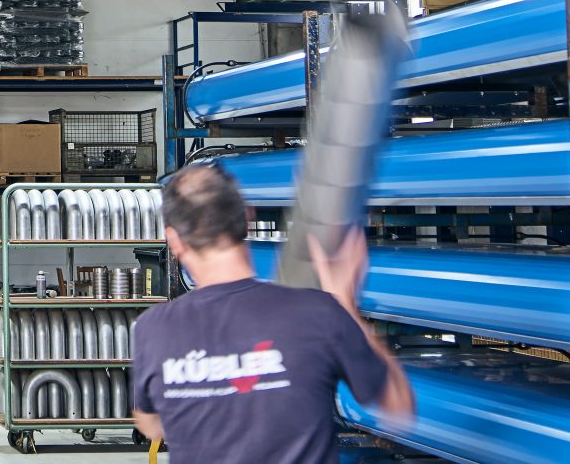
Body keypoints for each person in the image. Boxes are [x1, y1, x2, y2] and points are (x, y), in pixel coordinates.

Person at [129, 165, 413, 463]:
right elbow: (397, 404)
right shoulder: (318, 313)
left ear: (173, 240)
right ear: (247, 217)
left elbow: (151, 425)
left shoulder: (153, 328)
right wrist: (346, 305)